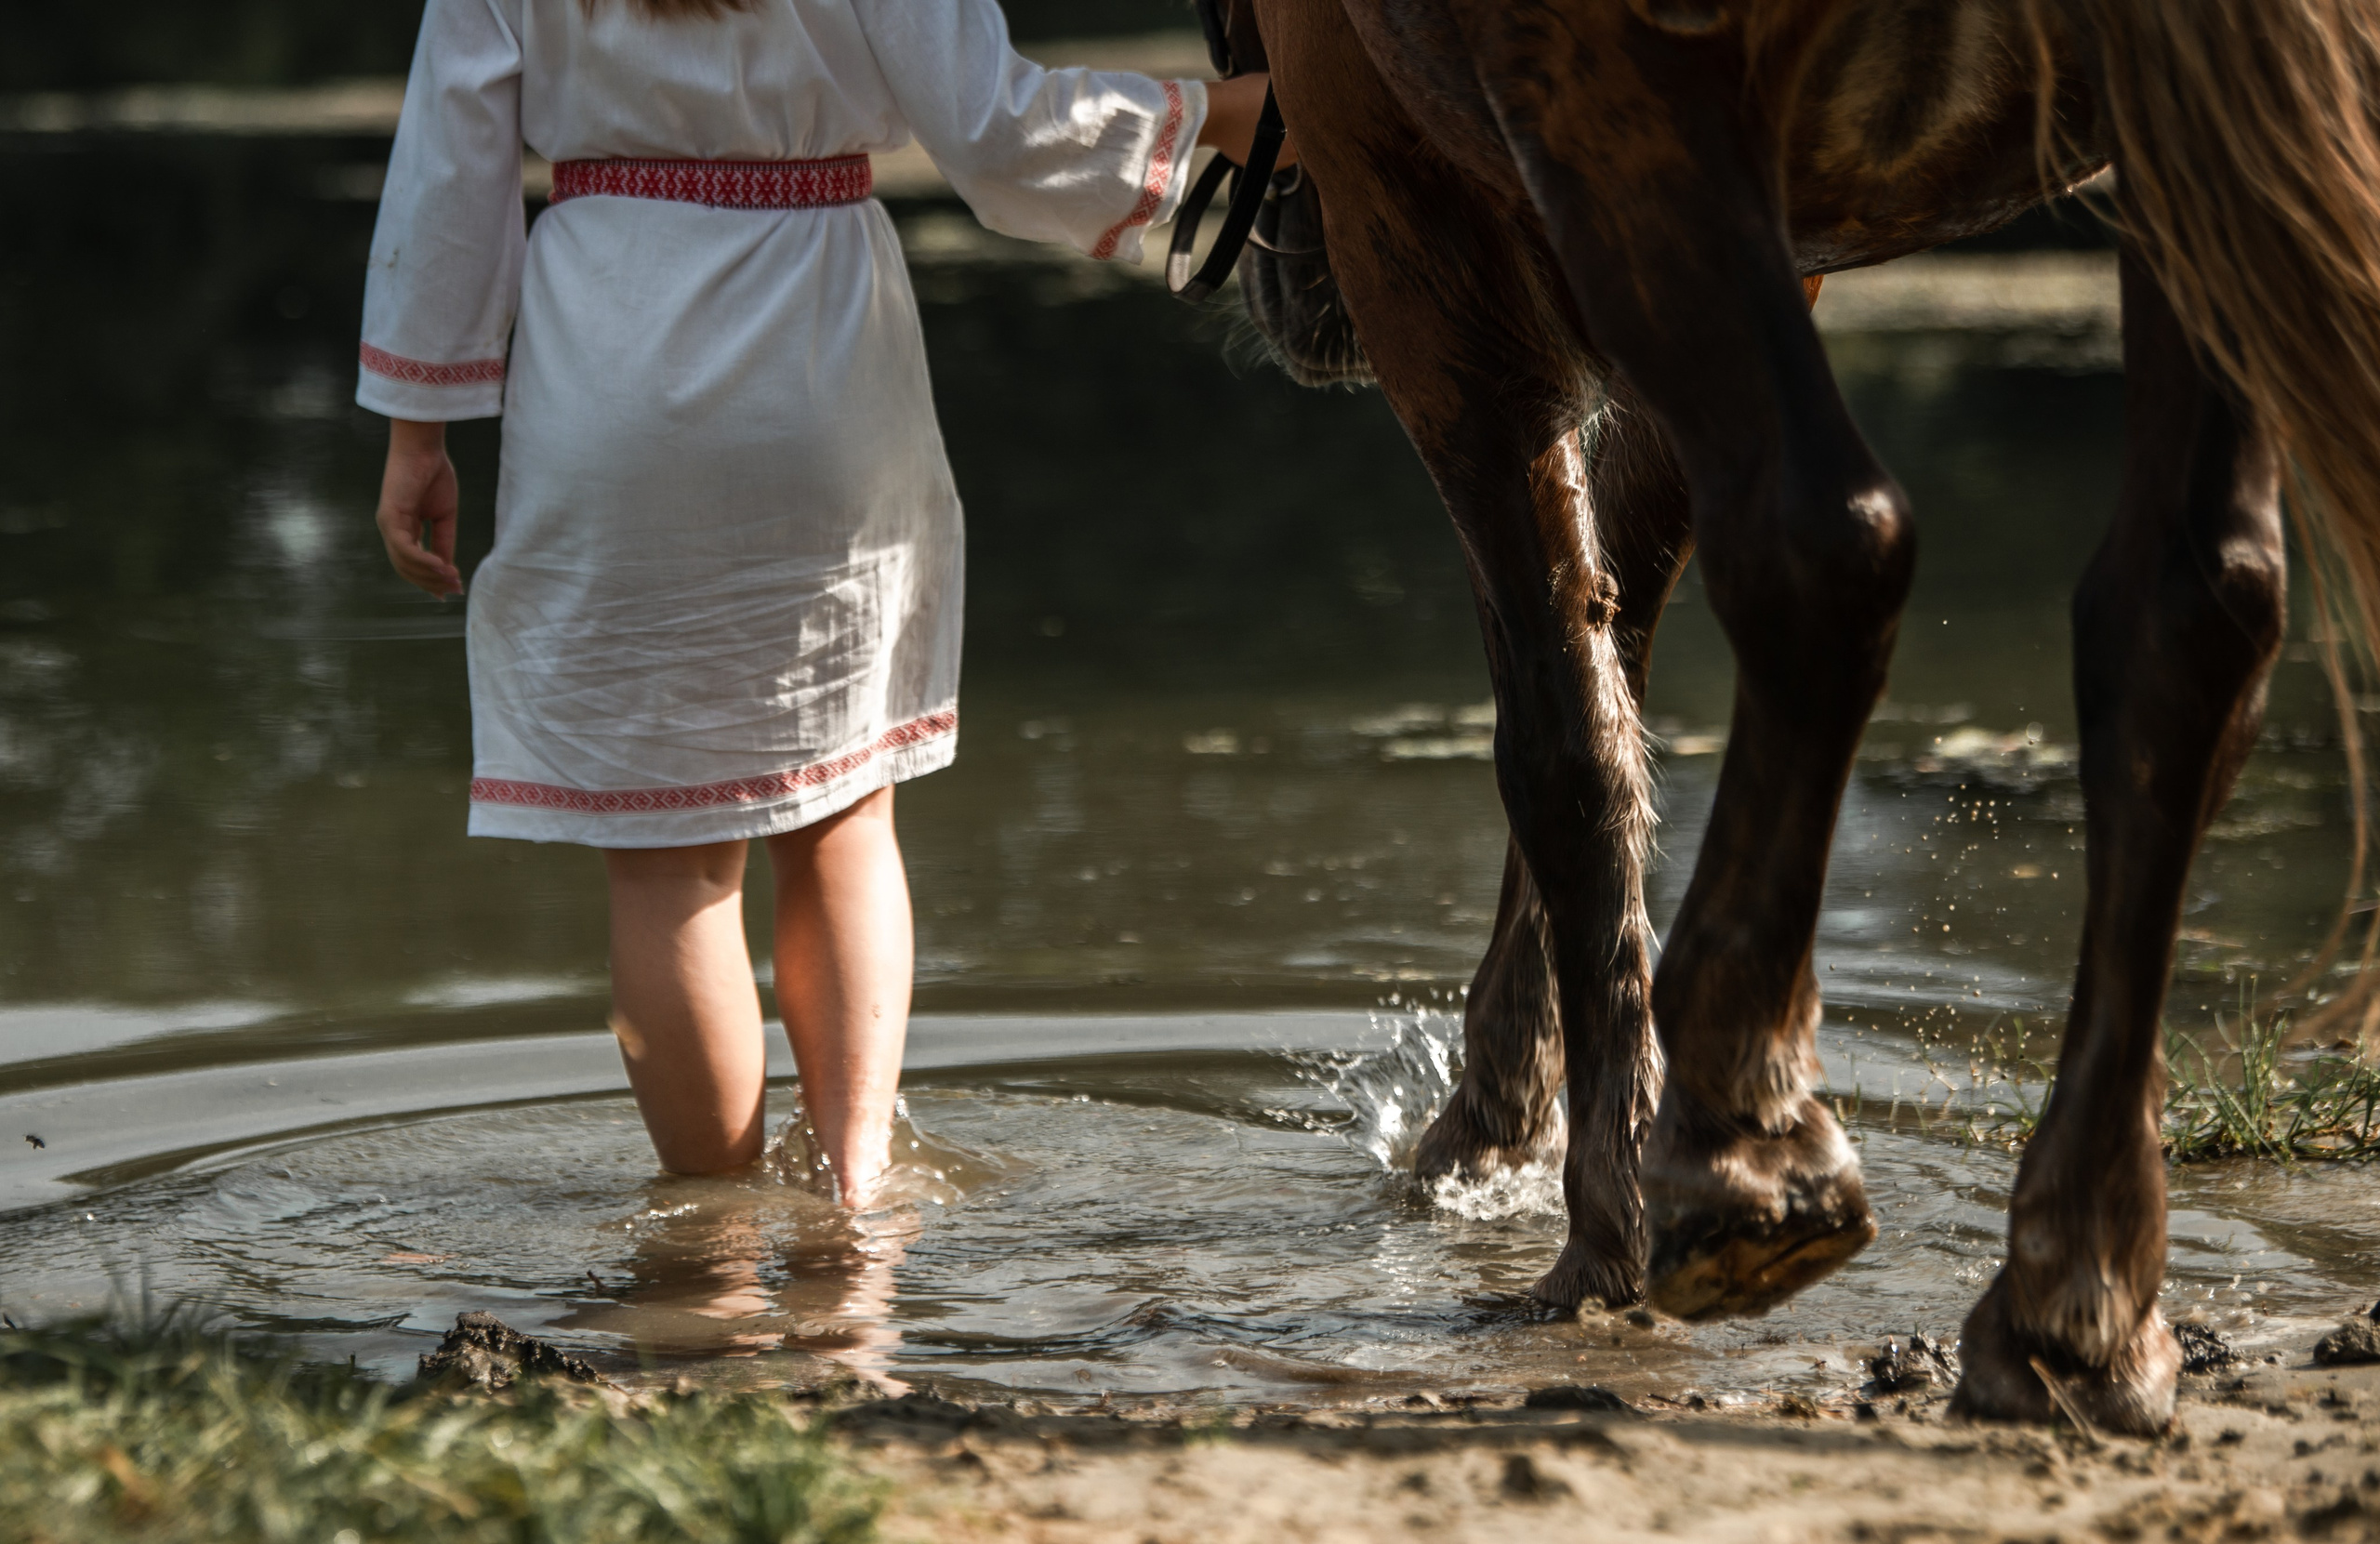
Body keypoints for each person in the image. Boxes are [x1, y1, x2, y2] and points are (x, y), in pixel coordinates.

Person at [362, 0, 1279, 1206]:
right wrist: (1216, 114)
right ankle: (853, 1216)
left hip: (607, 365)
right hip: (818, 358)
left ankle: (712, 1249)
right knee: (841, 817)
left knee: (666, 862)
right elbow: (999, 135)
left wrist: (416, 431)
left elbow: (450, 162)